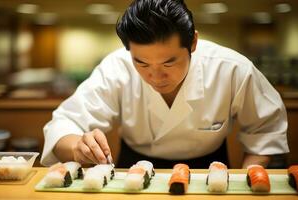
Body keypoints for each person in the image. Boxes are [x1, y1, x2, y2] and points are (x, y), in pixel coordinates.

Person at [41, 0, 289, 168]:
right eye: (142, 63)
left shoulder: (232, 69)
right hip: (132, 168)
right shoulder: (116, 66)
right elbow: (64, 123)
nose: (156, 77)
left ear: (193, 43)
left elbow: (266, 129)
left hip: (209, 169)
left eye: (169, 63)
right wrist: (77, 148)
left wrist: (249, 178)